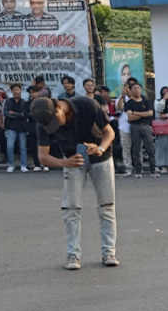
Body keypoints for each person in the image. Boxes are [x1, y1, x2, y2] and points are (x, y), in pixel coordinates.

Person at [31, 96, 118, 270]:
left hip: (102, 157)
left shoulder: (87, 105)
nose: (56, 127)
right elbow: (43, 156)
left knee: (107, 206)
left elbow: (110, 132)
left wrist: (100, 148)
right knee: (71, 208)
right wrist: (64, 163)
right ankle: (73, 256)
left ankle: (109, 252)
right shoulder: (43, 122)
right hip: (71, 159)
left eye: (56, 121)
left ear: (58, 107)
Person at [125, 82, 157, 178]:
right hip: (135, 126)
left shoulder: (147, 101)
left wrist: (136, 113)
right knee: (136, 149)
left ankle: (153, 169)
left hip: (146, 126)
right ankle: (138, 170)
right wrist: (143, 114)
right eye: (134, 88)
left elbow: (150, 113)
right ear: (131, 90)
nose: (137, 90)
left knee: (150, 148)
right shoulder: (129, 103)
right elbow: (130, 117)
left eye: (138, 88)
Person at [3, 83, 29, 173]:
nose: (16, 91)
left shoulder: (24, 102)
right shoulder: (8, 102)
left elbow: (24, 114)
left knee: (23, 148)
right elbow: (7, 113)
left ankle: (24, 165)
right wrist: (17, 114)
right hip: (11, 127)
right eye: (14, 90)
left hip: (22, 127)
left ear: (20, 91)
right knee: (10, 147)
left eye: (18, 89)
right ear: (12, 91)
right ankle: (11, 165)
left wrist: (13, 113)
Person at [115, 78, 136, 176]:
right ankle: (128, 166)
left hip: (136, 126)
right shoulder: (121, 98)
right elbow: (119, 108)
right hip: (124, 126)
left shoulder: (139, 98)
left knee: (137, 148)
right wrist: (123, 95)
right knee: (126, 148)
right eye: (128, 85)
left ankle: (138, 167)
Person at [26, 85, 45, 171]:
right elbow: (26, 114)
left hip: (43, 127)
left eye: (35, 92)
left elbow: (46, 113)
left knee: (44, 146)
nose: (33, 94)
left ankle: (45, 163)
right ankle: (37, 164)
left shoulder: (44, 102)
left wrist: (34, 114)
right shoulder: (27, 104)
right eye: (31, 93)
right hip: (32, 127)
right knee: (34, 146)